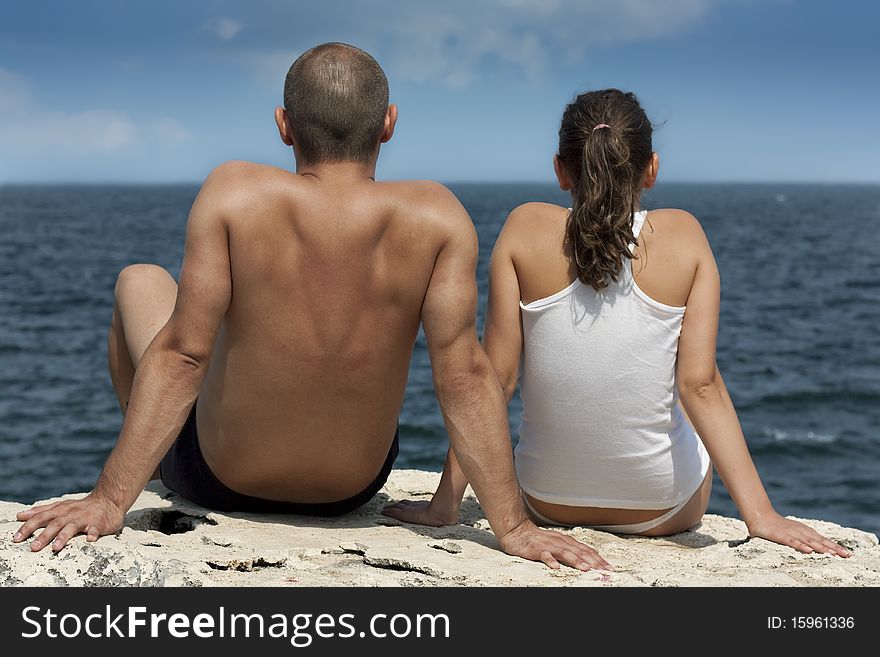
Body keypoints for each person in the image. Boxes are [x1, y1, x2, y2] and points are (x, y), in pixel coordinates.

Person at [12, 43, 609, 571]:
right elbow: (465, 376)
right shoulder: (437, 215)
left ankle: (155, 471)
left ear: (283, 126)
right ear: (388, 125)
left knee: (139, 281)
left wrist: (109, 499)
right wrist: (513, 526)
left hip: (220, 481)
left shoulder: (235, 192)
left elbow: (185, 355)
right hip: (349, 488)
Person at [384, 89, 850, 558]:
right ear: (652, 169)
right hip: (663, 510)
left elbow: (494, 381)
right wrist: (763, 517)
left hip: (545, 501)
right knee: (686, 376)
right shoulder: (685, 235)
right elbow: (701, 386)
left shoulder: (523, 228)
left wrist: (445, 504)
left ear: (561, 169)